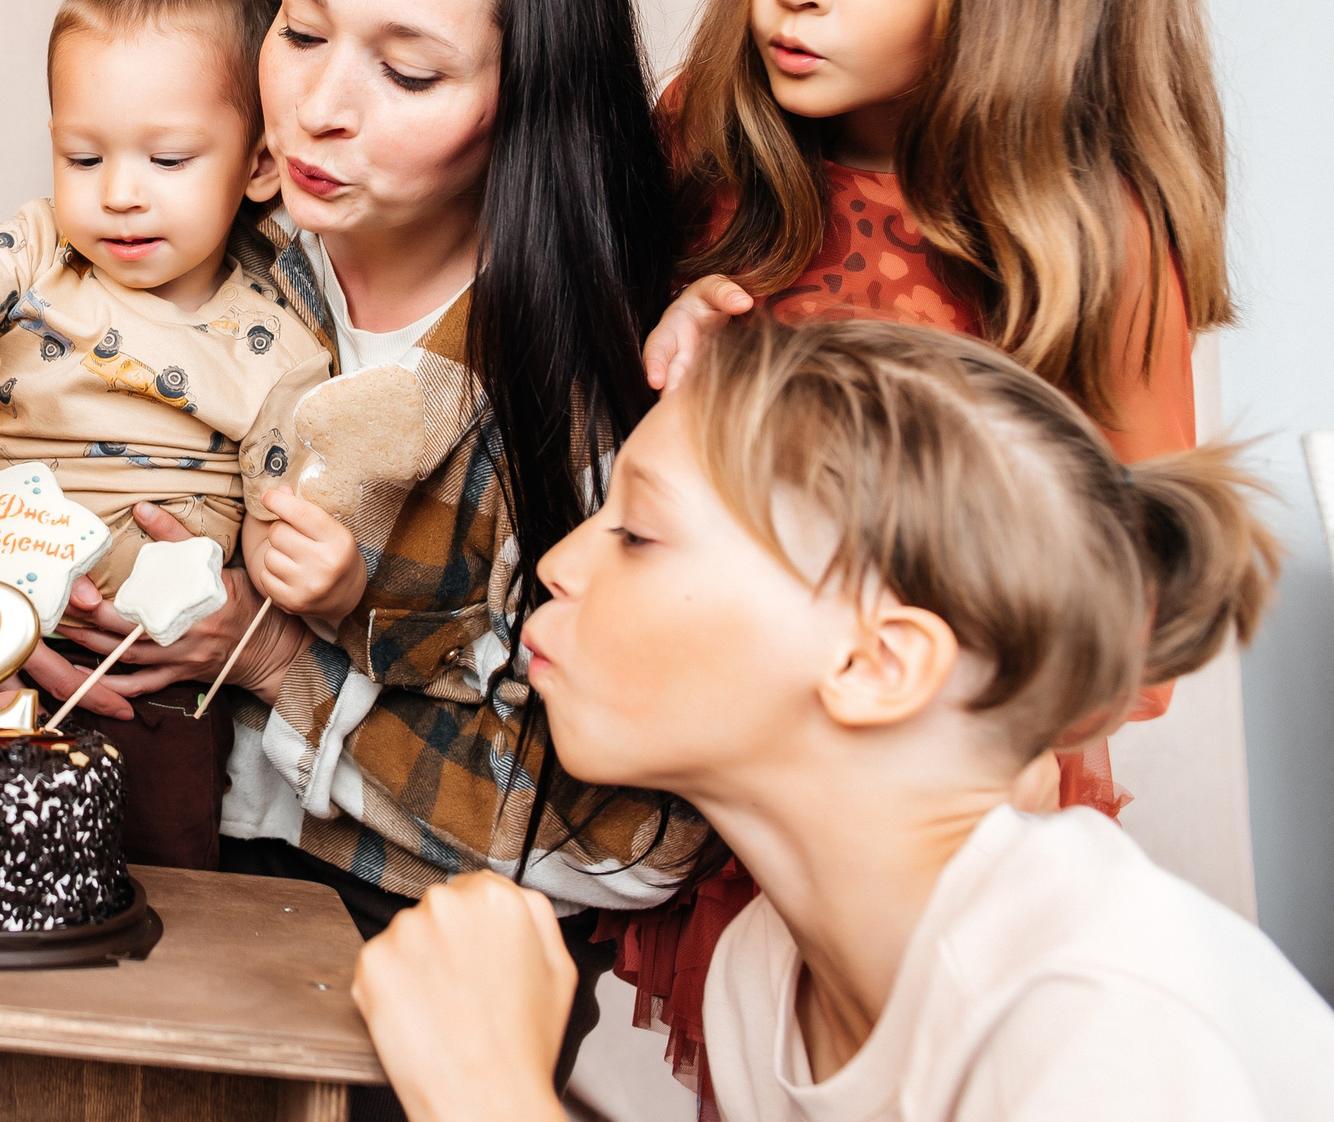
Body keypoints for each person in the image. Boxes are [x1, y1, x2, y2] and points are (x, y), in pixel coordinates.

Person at [617, 0, 1239, 1099]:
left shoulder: (1095, 239)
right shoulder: (706, 141)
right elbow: (582, 462)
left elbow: (1144, 607)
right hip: (713, 773)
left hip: (942, 814)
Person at [33, 0, 701, 1111]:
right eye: (300, 30)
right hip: (144, 893)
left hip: (409, 980)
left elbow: (626, 844)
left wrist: (275, 655)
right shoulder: (209, 242)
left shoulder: (588, 394)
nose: (320, 107)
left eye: (408, 71)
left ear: (527, 98)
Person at [353, 315, 1328, 1122]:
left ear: (874, 663)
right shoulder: (760, 979)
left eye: (639, 532)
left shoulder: (1101, 1014)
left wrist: (487, 1093)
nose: (559, 562)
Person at [0, 0, 331, 869]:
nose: (119, 193)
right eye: (83, 156)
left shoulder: (285, 327)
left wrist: (302, 572)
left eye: (167, 158)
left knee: (156, 877)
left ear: (259, 164)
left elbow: (285, 512)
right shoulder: (44, 250)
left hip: (153, 672)